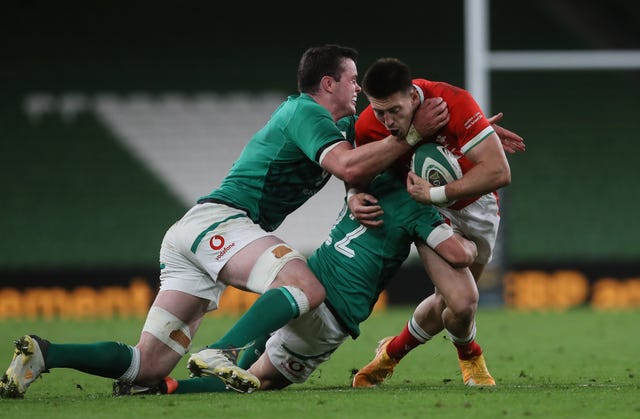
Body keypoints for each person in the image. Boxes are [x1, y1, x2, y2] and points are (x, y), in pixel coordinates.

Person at [0, 45, 449, 399]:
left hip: (194, 235)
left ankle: (45, 354)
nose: (358, 89)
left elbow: (359, 167)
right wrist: (412, 135)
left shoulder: (337, 128)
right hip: (221, 221)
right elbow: (352, 166)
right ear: (328, 82)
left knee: (149, 366)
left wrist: (474, 135)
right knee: (306, 287)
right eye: (352, 80)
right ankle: (222, 352)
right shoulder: (305, 112)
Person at [125, 169, 480, 394]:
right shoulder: (420, 210)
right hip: (334, 314)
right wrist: (466, 238)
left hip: (306, 281)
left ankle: (218, 354)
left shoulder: (369, 179)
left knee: (252, 358)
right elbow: (460, 255)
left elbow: (351, 167)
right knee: (261, 380)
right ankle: (167, 388)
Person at [349, 57, 523, 388]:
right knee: (462, 300)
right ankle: (470, 354)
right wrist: (353, 193)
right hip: (426, 211)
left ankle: (390, 353)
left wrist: (438, 191)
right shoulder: (368, 126)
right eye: (379, 111)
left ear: (413, 98)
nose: (386, 121)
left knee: (450, 306)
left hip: (477, 205)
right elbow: (358, 169)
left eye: (394, 111)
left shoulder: (453, 102)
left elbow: (500, 172)